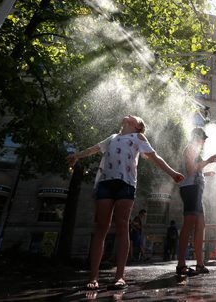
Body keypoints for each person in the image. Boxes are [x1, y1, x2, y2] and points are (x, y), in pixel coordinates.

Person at [67, 115, 184, 290]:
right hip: (106, 183)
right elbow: (93, 149)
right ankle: (93, 277)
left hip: (126, 184)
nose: (129, 115)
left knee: (122, 225)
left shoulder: (138, 137)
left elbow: (155, 157)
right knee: (101, 227)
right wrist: (77, 156)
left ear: (138, 126)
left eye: (134, 117)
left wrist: (173, 173)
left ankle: (120, 276)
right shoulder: (113, 137)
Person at [176, 127, 216, 276]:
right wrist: (208, 161)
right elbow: (189, 170)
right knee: (188, 226)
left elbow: (195, 170)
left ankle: (200, 264)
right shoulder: (189, 148)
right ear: (196, 137)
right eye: (203, 138)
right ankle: (181, 264)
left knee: (201, 225)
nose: (204, 141)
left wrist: (205, 173)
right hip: (190, 190)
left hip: (196, 189)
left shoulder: (196, 150)